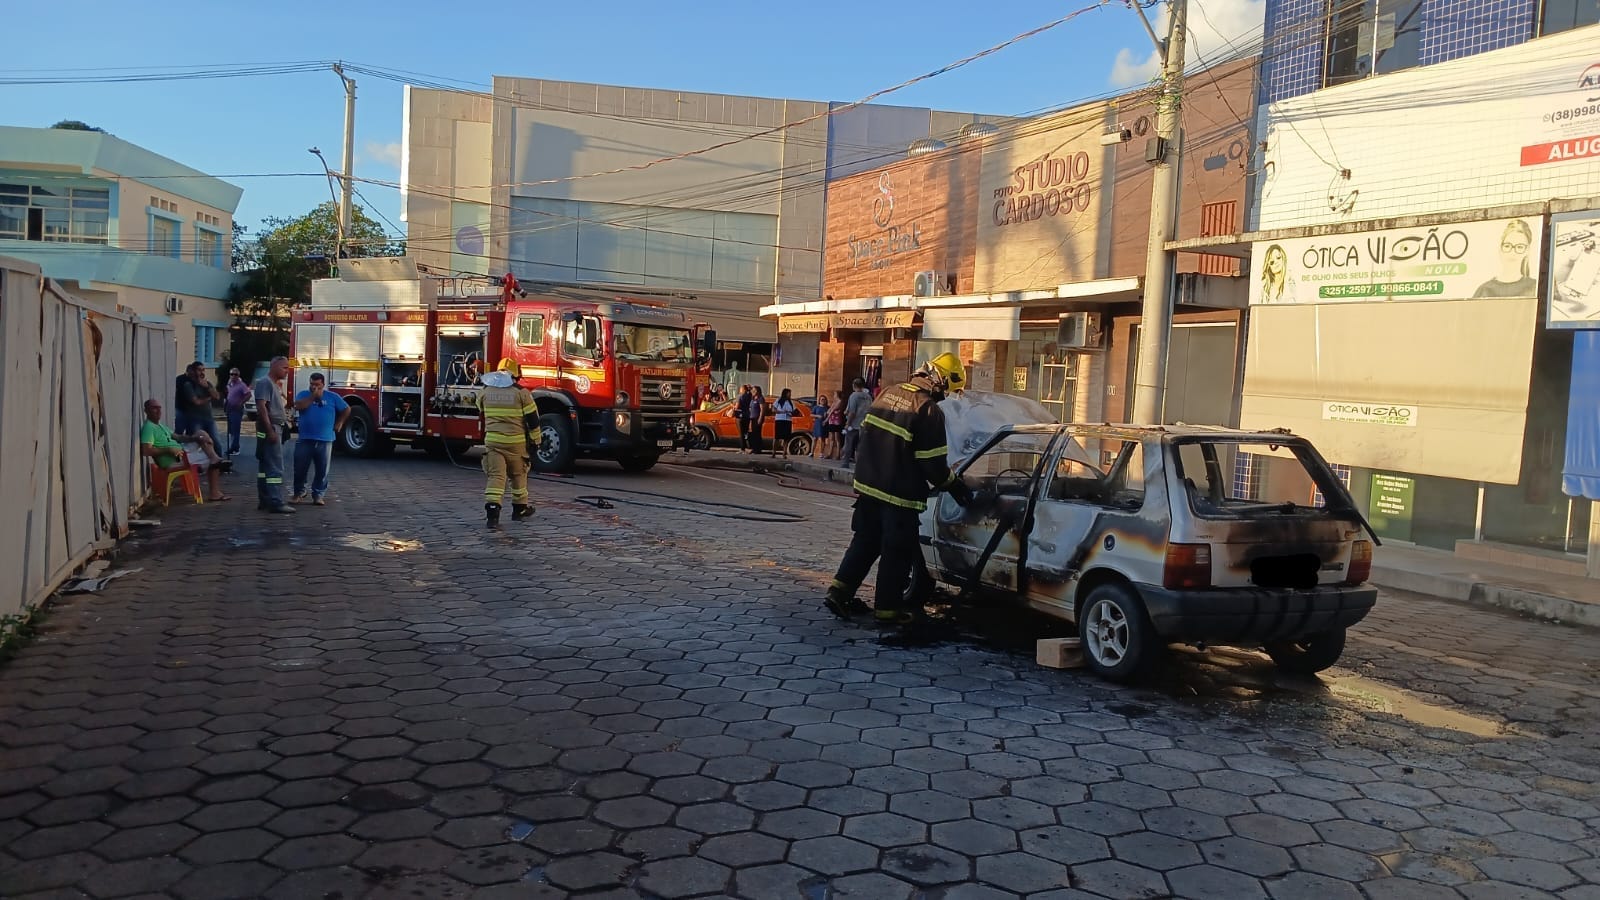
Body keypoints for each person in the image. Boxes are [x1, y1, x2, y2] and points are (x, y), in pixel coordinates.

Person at [825, 352, 973, 640]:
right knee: (897, 553)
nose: (945, 397)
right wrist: (955, 485)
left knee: (865, 543)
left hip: (868, 488)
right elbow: (932, 464)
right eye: (948, 390)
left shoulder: (888, 393)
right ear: (941, 381)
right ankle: (888, 612)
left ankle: (838, 593)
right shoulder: (927, 409)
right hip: (899, 495)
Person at [475, 358, 539, 528]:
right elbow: (533, 420)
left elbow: (479, 408)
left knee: (496, 476)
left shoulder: (485, 390)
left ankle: (492, 514)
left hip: (493, 443)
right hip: (516, 444)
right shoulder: (521, 392)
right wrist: (536, 441)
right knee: (518, 475)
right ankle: (520, 509)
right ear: (515, 375)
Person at [140, 399, 226, 501]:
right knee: (213, 463)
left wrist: (193, 438)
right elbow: (146, 451)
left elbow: (178, 437)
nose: (158, 411)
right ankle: (214, 493)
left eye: (159, 408)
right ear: (146, 411)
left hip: (182, 452)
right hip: (174, 461)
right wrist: (168, 449)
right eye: (154, 408)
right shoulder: (148, 428)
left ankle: (213, 457)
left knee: (201, 434)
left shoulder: (160, 426)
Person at [290, 373, 350, 506]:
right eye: (312, 384)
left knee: (322, 470)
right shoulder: (303, 394)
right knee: (300, 468)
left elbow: (346, 409)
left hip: (325, 439)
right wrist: (313, 397)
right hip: (305, 439)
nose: (314, 387)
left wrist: (340, 422)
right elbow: (298, 406)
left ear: (323, 384)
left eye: (317, 384)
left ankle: (318, 494)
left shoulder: (332, 397)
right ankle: (298, 493)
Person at [254, 356, 295, 514]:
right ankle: (276, 502)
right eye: (284, 368)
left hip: (273, 427)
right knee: (275, 466)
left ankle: (265, 500)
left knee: (265, 466)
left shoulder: (273, 384)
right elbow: (262, 408)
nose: (287, 371)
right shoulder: (265, 383)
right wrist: (270, 430)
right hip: (271, 428)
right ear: (275, 367)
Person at [1473, 220, 1538, 299]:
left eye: (1519, 247)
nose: (1512, 252)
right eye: (1507, 246)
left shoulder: (1535, 288)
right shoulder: (1484, 290)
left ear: (1527, 250)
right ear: (1500, 248)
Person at [175, 361, 223, 455]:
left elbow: (217, 396)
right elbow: (196, 401)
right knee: (195, 443)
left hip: (209, 418)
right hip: (195, 419)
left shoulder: (207, 383)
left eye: (203, 370)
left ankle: (219, 462)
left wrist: (207, 387)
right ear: (193, 371)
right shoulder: (188, 385)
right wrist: (209, 398)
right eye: (199, 370)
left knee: (216, 441)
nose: (202, 372)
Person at [841, 377, 873, 467]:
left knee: (848, 444)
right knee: (860, 446)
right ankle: (859, 465)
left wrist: (848, 423)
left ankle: (845, 462)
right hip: (864, 424)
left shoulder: (854, 396)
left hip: (853, 424)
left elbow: (852, 412)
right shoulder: (868, 397)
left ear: (854, 385)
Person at [223, 367, 249, 456]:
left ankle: (235, 448)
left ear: (238, 375)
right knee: (231, 430)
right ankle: (233, 446)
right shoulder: (229, 384)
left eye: (235, 374)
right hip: (229, 409)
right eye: (231, 374)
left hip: (236, 410)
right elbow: (228, 395)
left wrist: (241, 403)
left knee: (235, 430)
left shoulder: (241, 385)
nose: (233, 376)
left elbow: (248, 394)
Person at [772, 388, 797, 458]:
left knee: (786, 437)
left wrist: (791, 412)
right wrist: (780, 411)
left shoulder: (791, 402)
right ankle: (774, 452)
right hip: (780, 419)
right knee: (777, 437)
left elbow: (795, 411)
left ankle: (784, 453)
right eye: (789, 393)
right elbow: (773, 409)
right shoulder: (779, 400)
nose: (790, 395)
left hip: (788, 420)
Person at [825, 391, 847, 459]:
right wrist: (828, 412)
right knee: (831, 438)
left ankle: (838, 454)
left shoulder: (840, 401)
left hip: (836, 421)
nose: (834, 395)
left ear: (837, 395)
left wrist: (826, 419)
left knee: (837, 438)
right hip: (831, 421)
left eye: (835, 394)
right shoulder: (834, 402)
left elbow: (832, 411)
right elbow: (829, 410)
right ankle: (830, 453)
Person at [748, 386, 768, 454]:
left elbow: (762, 410)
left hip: (757, 418)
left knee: (757, 434)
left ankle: (757, 449)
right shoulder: (752, 398)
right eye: (753, 390)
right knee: (752, 434)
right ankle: (753, 448)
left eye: (755, 390)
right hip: (752, 418)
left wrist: (760, 418)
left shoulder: (760, 398)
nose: (753, 391)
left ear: (758, 391)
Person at [810, 392, 829, 458]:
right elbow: (811, 414)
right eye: (822, 399)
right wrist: (817, 416)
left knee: (823, 438)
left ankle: (821, 453)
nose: (823, 401)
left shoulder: (827, 408)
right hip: (817, 424)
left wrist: (826, 416)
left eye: (824, 399)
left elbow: (829, 415)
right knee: (815, 438)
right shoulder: (816, 407)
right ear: (819, 400)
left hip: (824, 424)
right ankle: (812, 452)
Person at [734, 385, 753, 452]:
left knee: (741, 433)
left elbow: (737, 406)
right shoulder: (749, 396)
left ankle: (743, 448)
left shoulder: (739, 396)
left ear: (743, 390)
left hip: (740, 416)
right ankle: (749, 446)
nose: (739, 390)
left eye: (740, 389)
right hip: (747, 415)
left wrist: (733, 406)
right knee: (746, 432)